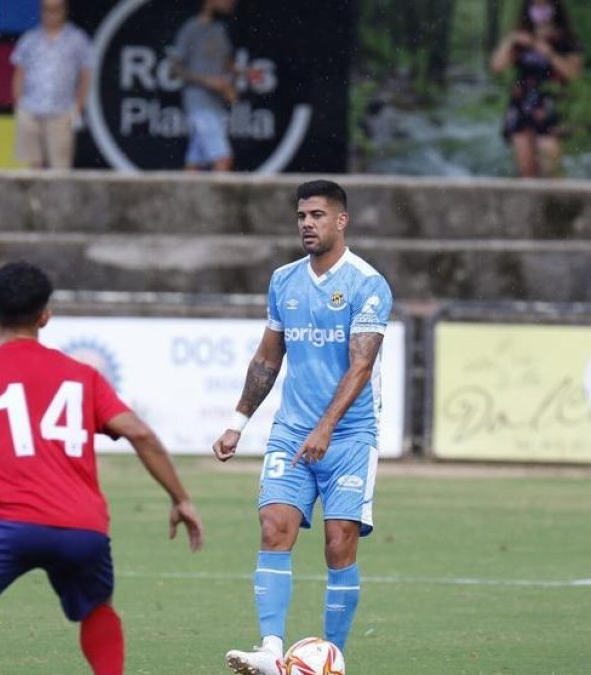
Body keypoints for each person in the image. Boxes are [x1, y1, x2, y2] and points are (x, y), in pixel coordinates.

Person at [0, 261, 204, 675]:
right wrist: (181, 498)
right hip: (83, 528)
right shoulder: (83, 377)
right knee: (96, 609)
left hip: (6, 524)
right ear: (46, 316)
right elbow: (142, 435)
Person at [213, 180, 393, 675]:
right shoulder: (284, 281)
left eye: (317, 215)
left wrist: (327, 428)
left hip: (351, 437)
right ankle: (271, 650)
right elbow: (268, 358)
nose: (307, 224)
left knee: (339, 542)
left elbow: (360, 367)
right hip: (292, 432)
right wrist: (238, 422)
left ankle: (331, 656)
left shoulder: (367, 284)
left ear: (341, 221)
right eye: (301, 216)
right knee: (274, 527)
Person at [490, 0, 583, 178]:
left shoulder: (566, 38)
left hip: (551, 104)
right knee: (526, 171)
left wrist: (547, 52)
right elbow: (497, 67)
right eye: (536, 6)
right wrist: (510, 41)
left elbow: (573, 74)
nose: (539, 11)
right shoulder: (521, 37)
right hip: (521, 103)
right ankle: (531, 206)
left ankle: (556, 205)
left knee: (552, 171)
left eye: (544, 6)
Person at [10, 0, 93, 169]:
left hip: (61, 111)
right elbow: (19, 73)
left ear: (64, 10)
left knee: (60, 167)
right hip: (30, 108)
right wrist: (18, 103)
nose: (51, 14)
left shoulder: (77, 39)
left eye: (55, 9)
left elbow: (86, 74)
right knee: (33, 165)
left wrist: (78, 105)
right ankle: (33, 197)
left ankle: (59, 197)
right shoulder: (30, 39)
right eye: (46, 9)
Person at [170, 0, 239, 172]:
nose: (231, 3)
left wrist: (244, 72)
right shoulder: (191, 28)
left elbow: (223, 63)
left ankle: (181, 199)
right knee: (223, 158)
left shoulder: (219, 30)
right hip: (198, 102)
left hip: (216, 104)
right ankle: (222, 200)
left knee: (195, 163)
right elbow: (174, 69)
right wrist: (207, 81)